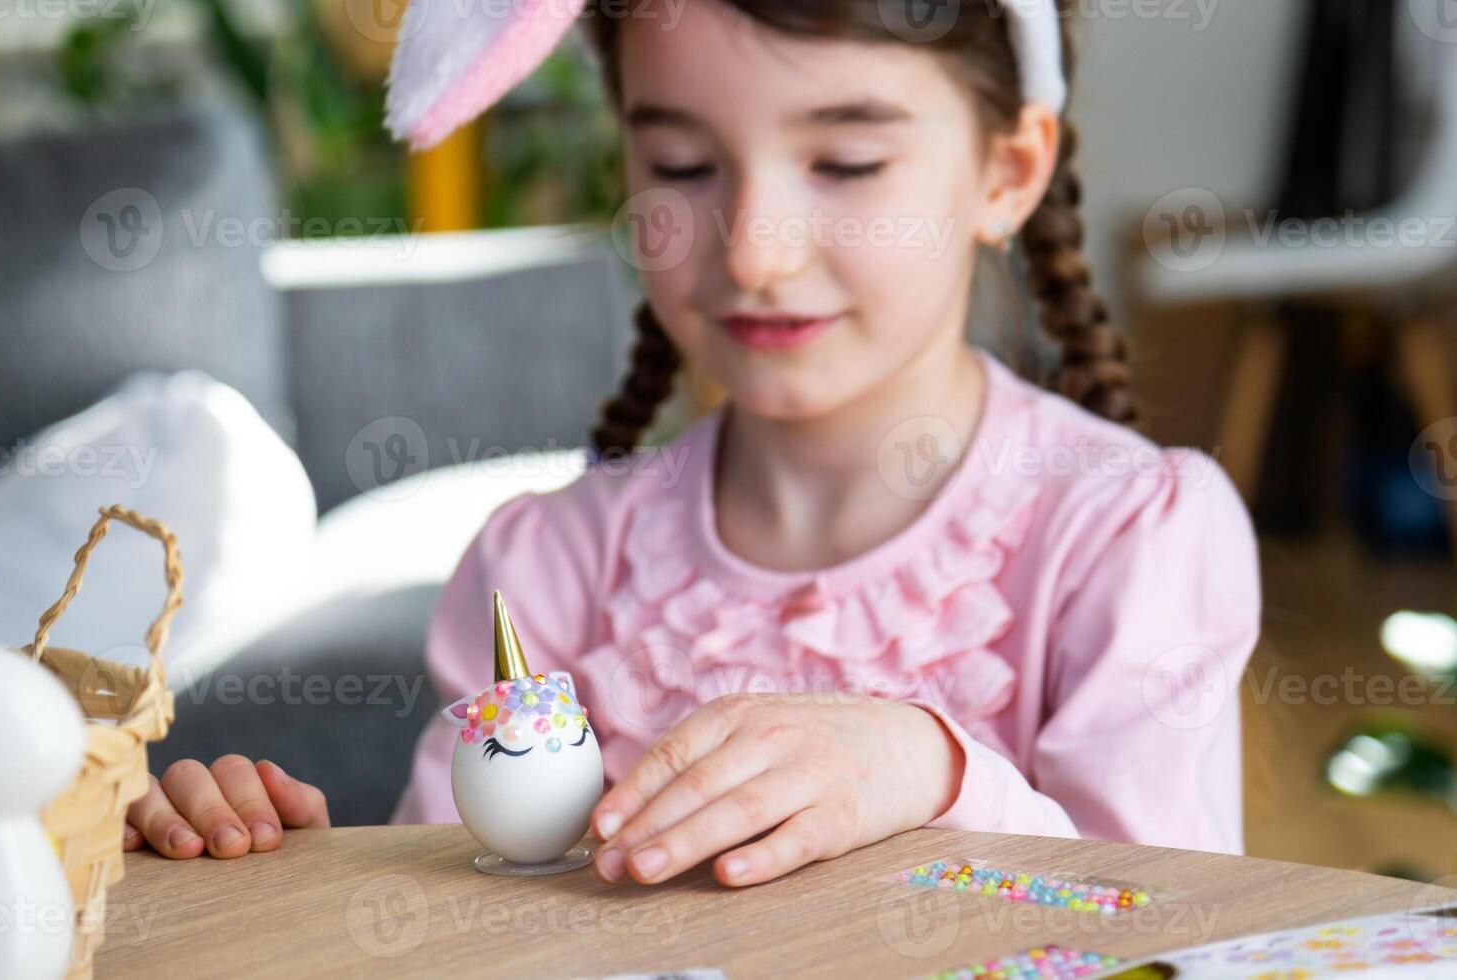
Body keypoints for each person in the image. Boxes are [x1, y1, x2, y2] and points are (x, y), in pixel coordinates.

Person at [126, 0, 1260, 888]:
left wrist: (932, 770)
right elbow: (466, 907)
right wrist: (301, 870)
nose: (755, 250)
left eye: (847, 163)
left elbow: (1172, 928)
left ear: (1007, 171)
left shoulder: (1128, 536)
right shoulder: (543, 572)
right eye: (680, 165)